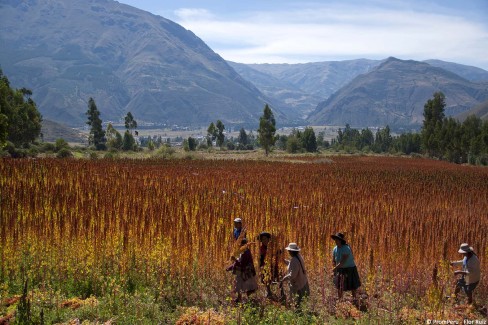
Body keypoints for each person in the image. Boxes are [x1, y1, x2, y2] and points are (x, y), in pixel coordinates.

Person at [226, 238, 258, 303]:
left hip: (247, 273)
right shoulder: (242, 252)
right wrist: (229, 268)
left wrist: (235, 260)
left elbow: (242, 264)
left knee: (248, 287)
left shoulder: (246, 252)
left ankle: (250, 301)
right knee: (240, 285)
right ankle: (240, 299)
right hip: (244, 272)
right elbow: (238, 263)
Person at [331, 232, 361, 301]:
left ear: (341, 241)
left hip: (349, 268)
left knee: (353, 285)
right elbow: (333, 259)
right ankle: (340, 300)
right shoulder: (335, 248)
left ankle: (354, 299)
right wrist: (334, 267)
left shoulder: (346, 248)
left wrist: (335, 268)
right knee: (339, 285)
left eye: (337, 240)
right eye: (335, 240)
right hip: (340, 269)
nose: (336, 241)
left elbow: (342, 261)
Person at [280, 243, 310, 310]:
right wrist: (284, 261)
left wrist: (284, 278)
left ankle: (298, 313)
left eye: (289, 251)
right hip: (303, 281)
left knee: (297, 301)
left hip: (298, 284)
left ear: (291, 251)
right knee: (300, 301)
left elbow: (292, 275)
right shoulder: (298, 256)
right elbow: (292, 265)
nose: (288, 252)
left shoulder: (294, 260)